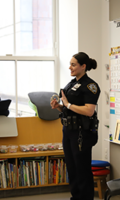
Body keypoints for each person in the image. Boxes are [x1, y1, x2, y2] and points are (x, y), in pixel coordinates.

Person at [50, 52, 100, 200]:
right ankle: (76, 197)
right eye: (70, 64)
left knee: (82, 169)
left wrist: (68, 104)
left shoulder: (90, 86)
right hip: (68, 131)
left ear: (83, 66)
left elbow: (89, 111)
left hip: (82, 133)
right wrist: (59, 106)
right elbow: (68, 108)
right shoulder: (72, 83)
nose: (69, 67)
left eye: (73, 64)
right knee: (72, 168)